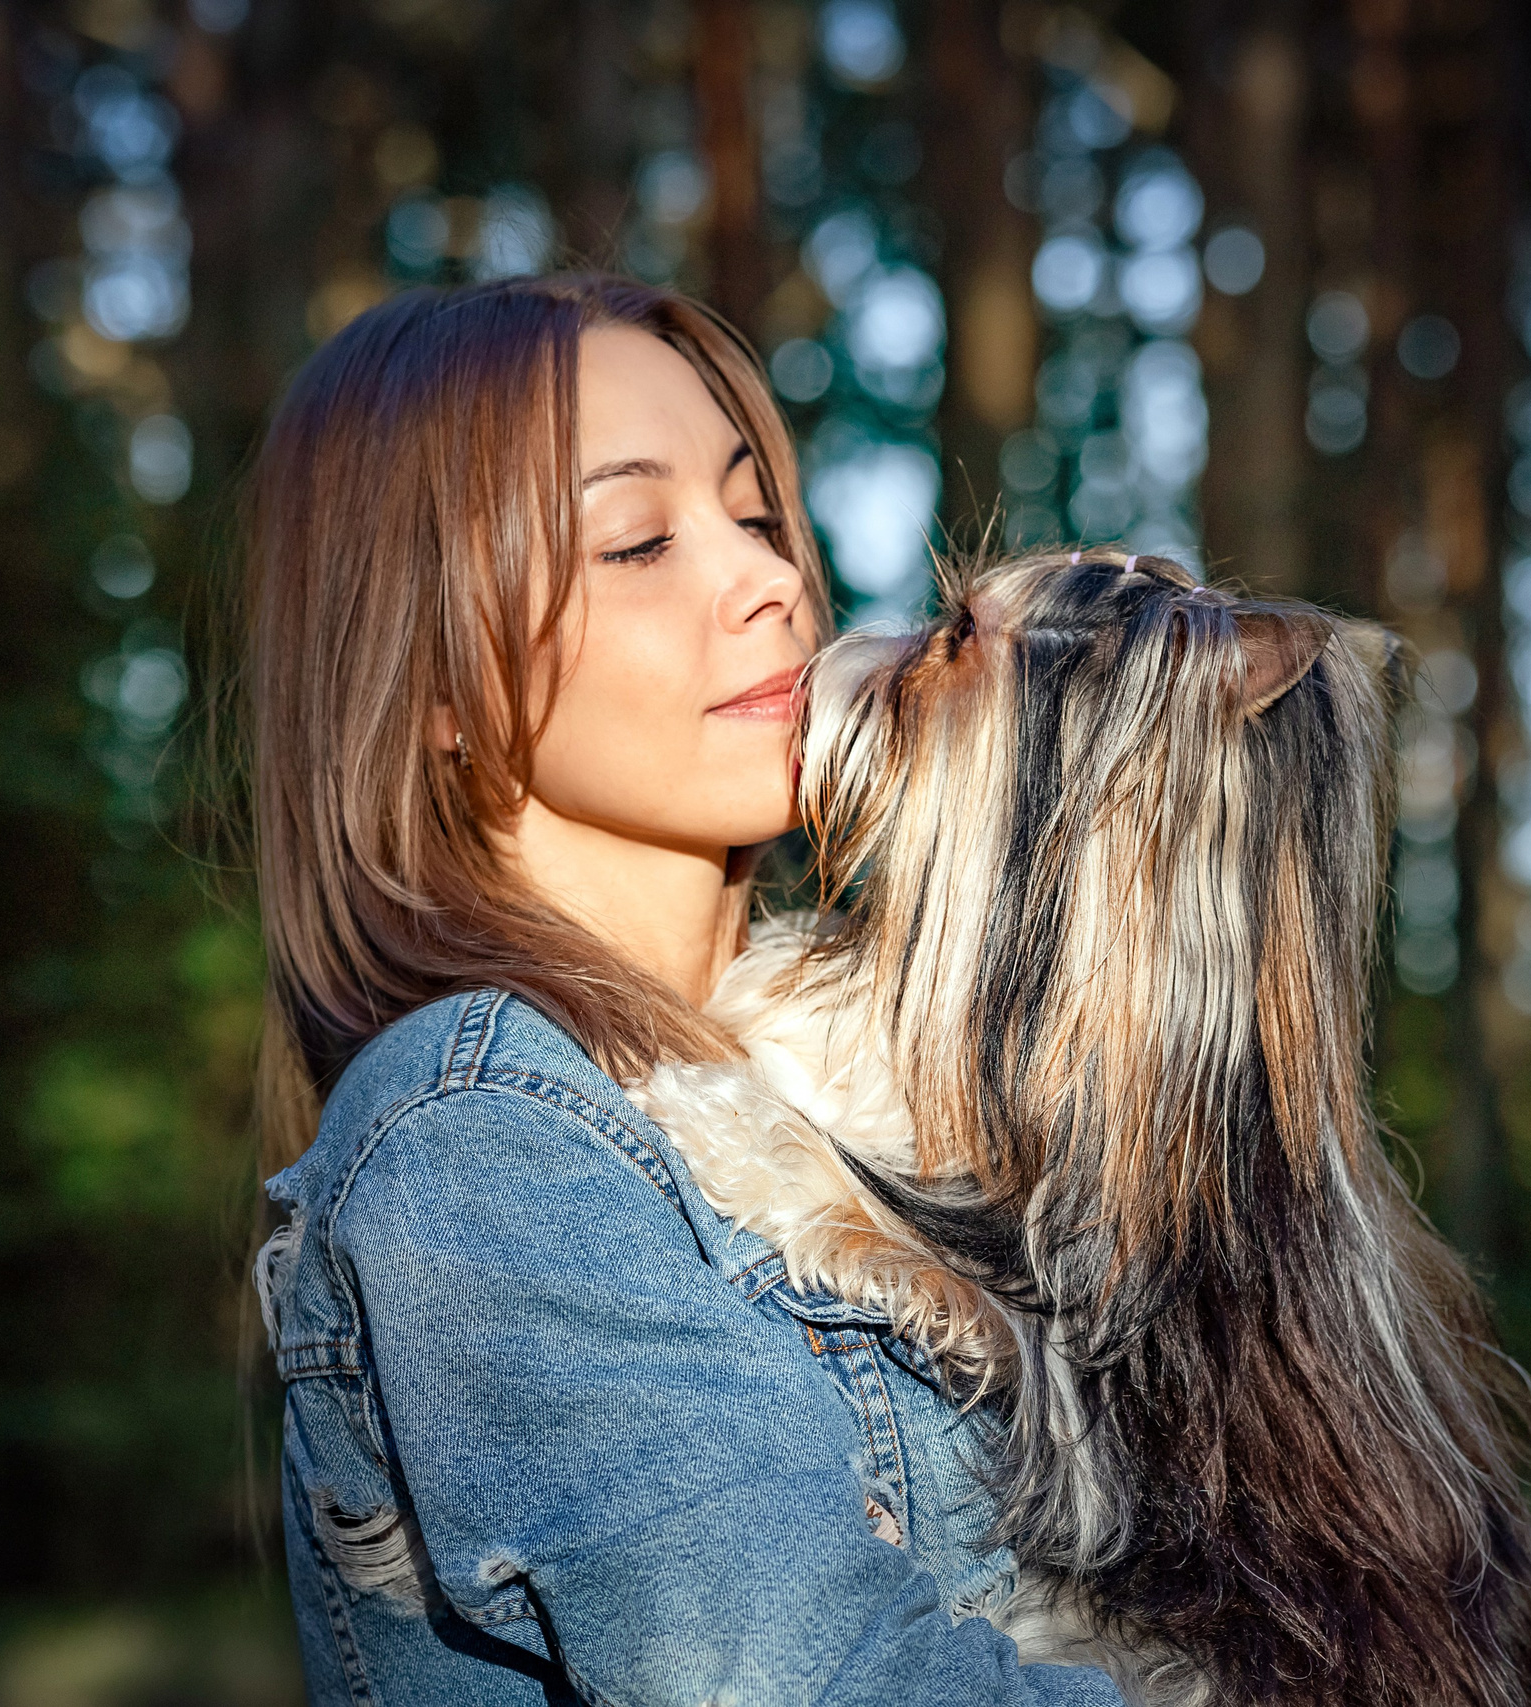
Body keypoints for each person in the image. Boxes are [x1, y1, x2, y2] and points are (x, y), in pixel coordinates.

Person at [241, 274, 1122, 1707]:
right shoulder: (480, 1140)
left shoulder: (893, 1079)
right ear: (433, 683)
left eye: (757, 515)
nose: (771, 583)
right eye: (638, 540)